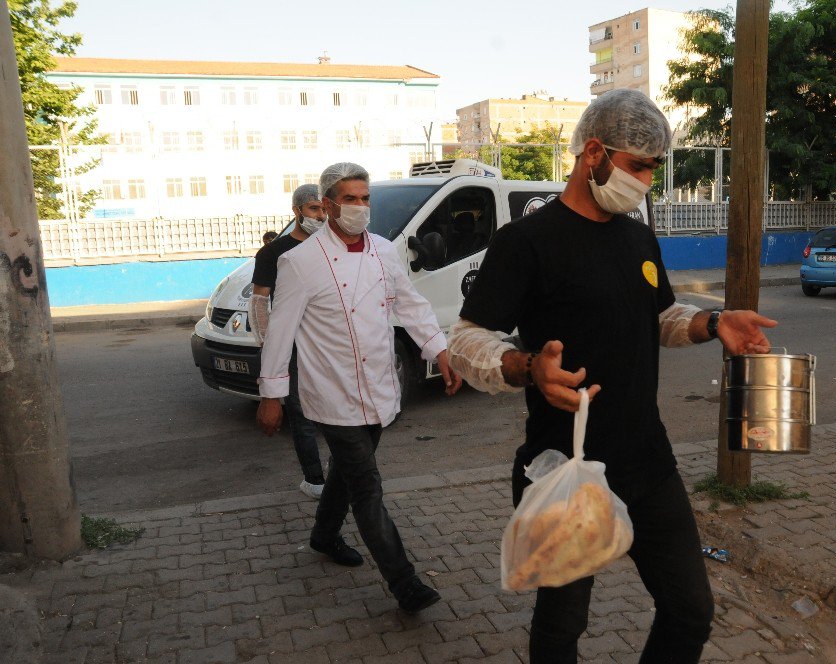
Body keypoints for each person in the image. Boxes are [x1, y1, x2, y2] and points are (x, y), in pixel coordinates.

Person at [449, 89, 777, 663]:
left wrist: (713, 321)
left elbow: (658, 317)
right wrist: (527, 367)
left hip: (648, 461)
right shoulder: (526, 241)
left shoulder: (637, 235)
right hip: (564, 467)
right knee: (562, 626)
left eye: (654, 167)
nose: (647, 180)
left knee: (690, 609)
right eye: (639, 166)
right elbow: (467, 340)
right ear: (593, 153)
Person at [256, 162, 462, 614]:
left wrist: (439, 350)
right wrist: (272, 395)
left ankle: (323, 535)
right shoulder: (299, 262)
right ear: (328, 204)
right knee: (367, 485)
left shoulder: (386, 252)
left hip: (381, 386)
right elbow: (281, 332)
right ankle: (404, 582)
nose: (360, 207)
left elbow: (410, 303)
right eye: (350, 199)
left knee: (349, 474)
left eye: (366, 198)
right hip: (332, 393)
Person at [249, 185, 332, 503]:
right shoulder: (273, 252)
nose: (320, 217)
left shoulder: (331, 247)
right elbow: (259, 302)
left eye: (323, 210)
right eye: (313, 209)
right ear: (297, 211)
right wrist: (270, 347)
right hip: (293, 345)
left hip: (327, 342)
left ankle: (340, 471)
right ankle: (315, 479)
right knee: (300, 413)